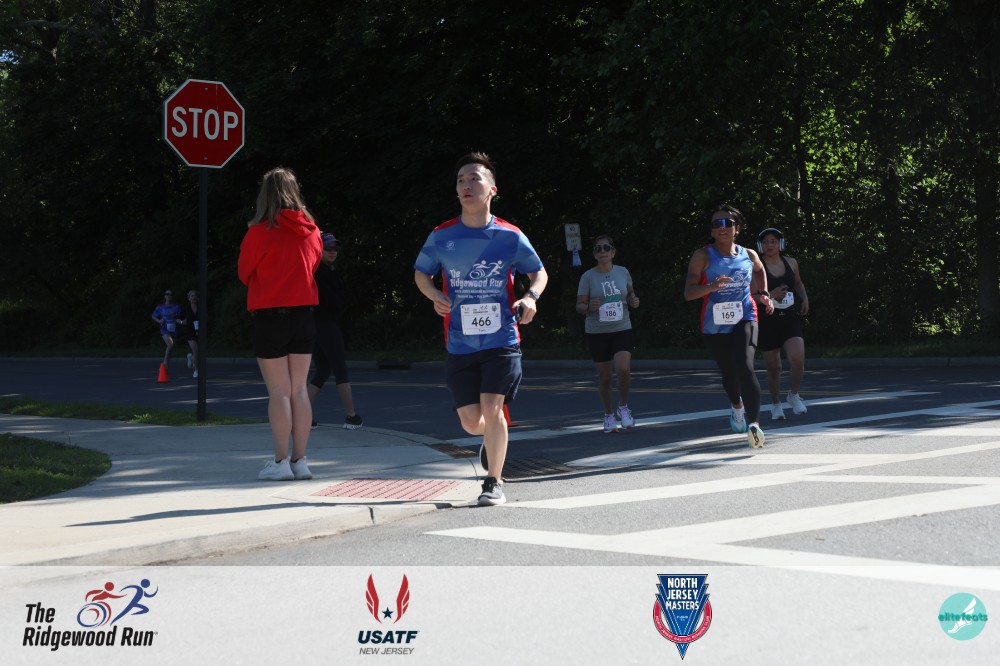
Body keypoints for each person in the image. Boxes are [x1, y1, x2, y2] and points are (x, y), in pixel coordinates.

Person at [414, 152, 547, 506]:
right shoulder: (442, 235)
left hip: (502, 338)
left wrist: (531, 297)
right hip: (459, 342)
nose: (466, 185)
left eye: (474, 178)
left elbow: (538, 272)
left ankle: (493, 482)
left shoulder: (509, 235)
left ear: (492, 189)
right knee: (472, 423)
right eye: (461, 180)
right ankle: (492, 434)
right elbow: (421, 273)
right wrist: (434, 294)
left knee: (492, 406)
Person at [238, 167, 323, 481]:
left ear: (265, 195)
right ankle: (300, 461)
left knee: (279, 393)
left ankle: (280, 462)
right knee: (299, 389)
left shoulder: (259, 232)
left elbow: (244, 272)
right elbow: (313, 266)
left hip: (270, 315)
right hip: (304, 315)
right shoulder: (312, 231)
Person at [683, 204, 774, 449]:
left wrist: (764, 293)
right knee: (729, 373)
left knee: (745, 365)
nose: (722, 228)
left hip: (746, 315)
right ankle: (737, 405)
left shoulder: (749, 254)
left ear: (737, 228)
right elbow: (689, 293)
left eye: (727, 223)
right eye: (717, 224)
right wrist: (711, 287)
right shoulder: (703, 256)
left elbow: (760, 270)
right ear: (712, 231)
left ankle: (754, 424)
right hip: (715, 324)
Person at [576, 234, 640, 433]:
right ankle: (608, 414)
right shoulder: (588, 276)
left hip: (622, 327)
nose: (602, 251)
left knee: (623, 369)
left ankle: (623, 407)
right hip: (597, 331)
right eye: (598, 248)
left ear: (613, 252)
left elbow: (630, 293)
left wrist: (633, 300)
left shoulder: (623, 272)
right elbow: (579, 305)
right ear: (594, 254)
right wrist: (589, 306)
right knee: (604, 376)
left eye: (606, 248)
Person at [308, 232, 363, 429]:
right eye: (328, 248)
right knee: (340, 369)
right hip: (326, 325)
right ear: (319, 250)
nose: (333, 252)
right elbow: (334, 302)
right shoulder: (321, 273)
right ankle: (351, 416)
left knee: (323, 370)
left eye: (335, 249)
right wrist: (341, 297)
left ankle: (303, 416)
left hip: (317, 326)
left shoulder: (323, 271)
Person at [756, 228, 810, 419]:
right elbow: (750, 296)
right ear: (760, 246)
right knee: (774, 368)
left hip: (789, 318)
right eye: (765, 242)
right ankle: (775, 404)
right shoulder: (756, 267)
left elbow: (798, 283)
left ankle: (793, 395)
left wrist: (805, 298)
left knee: (797, 359)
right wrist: (770, 295)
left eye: (773, 241)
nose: (770, 245)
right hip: (767, 320)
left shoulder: (791, 262)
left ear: (781, 244)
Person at [151, 290, 183, 367]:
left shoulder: (176, 307)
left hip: (174, 329)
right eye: (167, 294)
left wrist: (175, 315)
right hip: (164, 329)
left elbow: (181, 317)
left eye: (170, 294)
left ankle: (166, 367)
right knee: (170, 344)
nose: (169, 296)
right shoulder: (160, 307)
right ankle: (165, 362)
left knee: (171, 348)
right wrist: (159, 321)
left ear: (172, 296)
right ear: (165, 296)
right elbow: (153, 316)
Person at [181, 290, 200, 378]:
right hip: (190, 331)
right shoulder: (186, 308)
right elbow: (178, 318)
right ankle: (196, 370)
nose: (193, 297)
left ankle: (191, 358)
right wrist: (182, 322)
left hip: (200, 331)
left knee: (198, 352)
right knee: (196, 350)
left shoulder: (201, 307)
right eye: (191, 296)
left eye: (195, 295)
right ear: (189, 298)